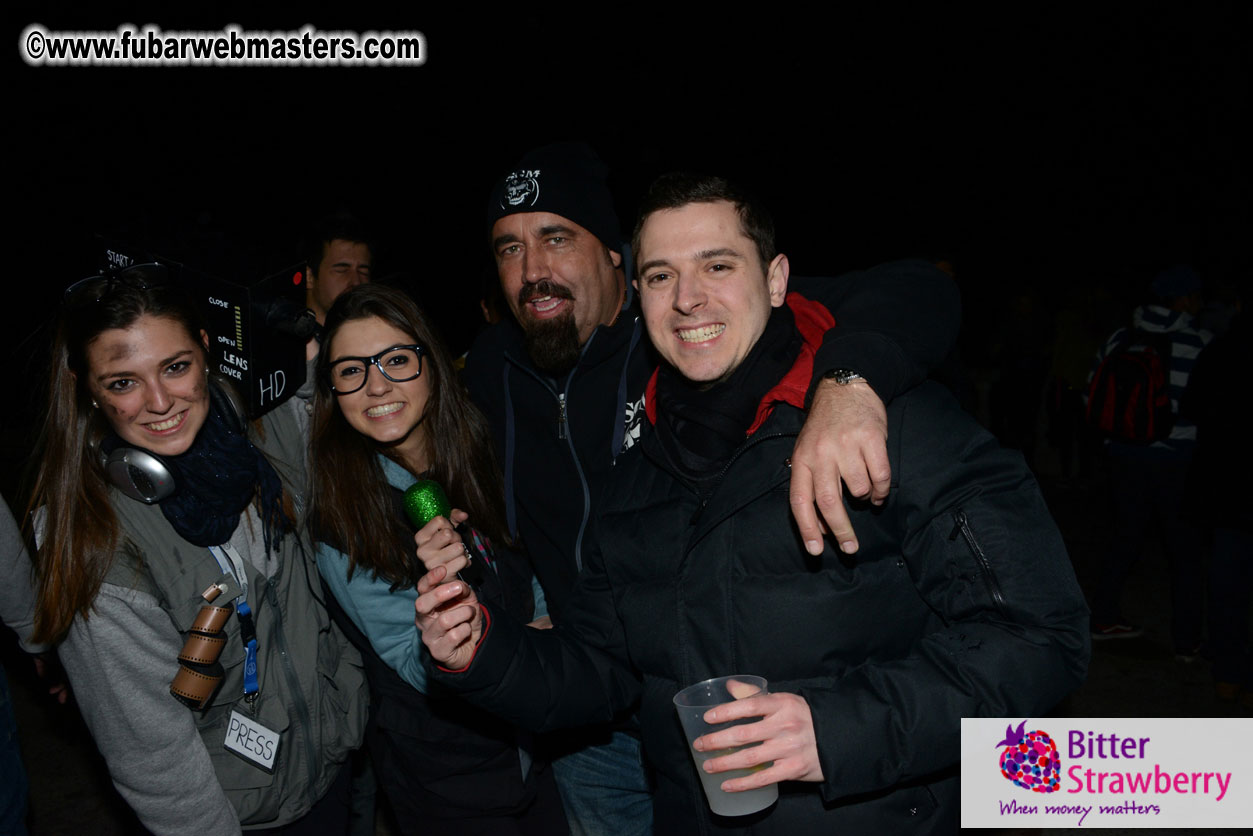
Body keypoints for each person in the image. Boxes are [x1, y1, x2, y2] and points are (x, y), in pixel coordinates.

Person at [418, 174, 1089, 834]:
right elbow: (601, 671)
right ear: (639, 296)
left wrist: (835, 731)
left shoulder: (884, 424)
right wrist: (484, 652)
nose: (688, 298)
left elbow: (1039, 637)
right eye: (661, 275)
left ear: (774, 280)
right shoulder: (634, 481)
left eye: (717, 265)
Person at [26, 265, 367, 835]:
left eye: (176, 367)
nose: (160, 402)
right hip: (235, 815)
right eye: (123, 383)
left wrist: (300, 346)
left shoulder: (259, 434)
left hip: (332, 764)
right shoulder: (99, 547)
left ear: (206, 350)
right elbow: (154, 759)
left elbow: (336, 402)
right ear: (86, 388)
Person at [308, 283, 567, 835]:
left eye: (397, 360)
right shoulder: (341, 516)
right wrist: (447, 606)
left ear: (431, 362)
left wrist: (547, 623)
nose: (376, 385)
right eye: (351, 370)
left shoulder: (484, 445)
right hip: (451, 774)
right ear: (332, 390)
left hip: (545, 736)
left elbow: (533, 550)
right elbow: (409, 658)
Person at [1086, 265, 1212, 650]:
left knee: (1124, 538)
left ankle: (1102, 618)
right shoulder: (1200, 341)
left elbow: (1091, 394)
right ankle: (1187, 641)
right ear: (1185, 300)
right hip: (1178, 460)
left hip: (1123, 456)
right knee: (1185, 550)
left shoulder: (1120, 338)